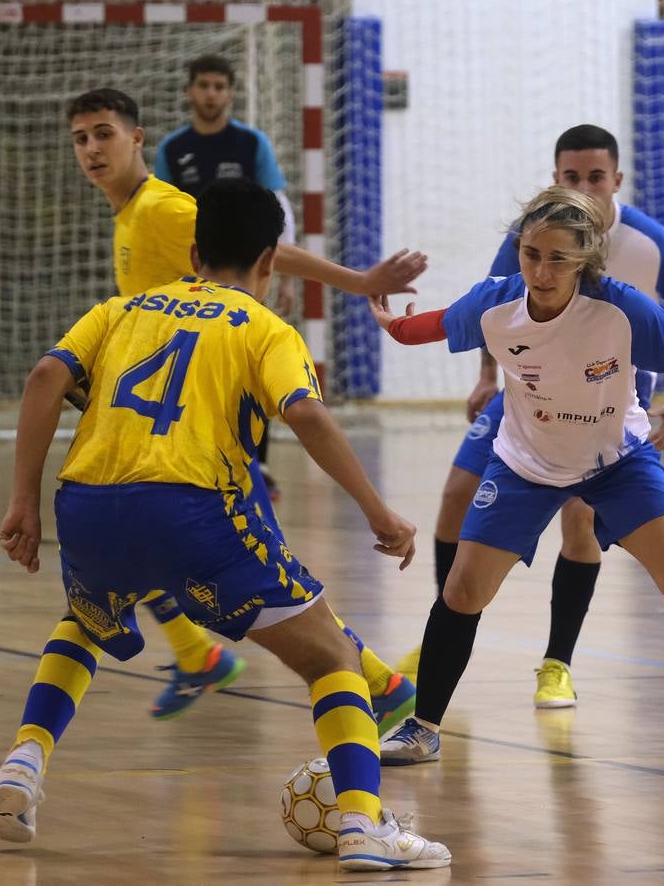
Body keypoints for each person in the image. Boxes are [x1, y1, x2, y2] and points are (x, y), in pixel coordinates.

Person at [0, 178, 450, 871]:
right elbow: (307, 414)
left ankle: (23, 763)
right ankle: (361, 825)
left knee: (83, 620)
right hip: (193, 510)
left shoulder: (120, 309)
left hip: (86, 502)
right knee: (331, 659)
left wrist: (21, 501)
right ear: (269, 263)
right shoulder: (266, 327)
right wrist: (378, 511)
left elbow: (44, 379)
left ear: (193, 251)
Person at [373, 186, 664, 773]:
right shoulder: (495, 304)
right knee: (463, 592)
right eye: (532, 253)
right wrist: (392, 324)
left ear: (585, 260)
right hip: (525, 464)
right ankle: (422, 729)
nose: (541, 269)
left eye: (557, 258)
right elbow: (432, 326)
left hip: (617, 460)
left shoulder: (623, 309)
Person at [67, 88, 417, 730]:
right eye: (82, 137)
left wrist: (361, 283)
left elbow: (264, 249)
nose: (92, 148)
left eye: (104, 134)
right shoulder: (128, 215)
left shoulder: (165, 209)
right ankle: (202, 655)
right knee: (153, 547)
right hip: (167, 417)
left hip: (208, 412)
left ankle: (373, 680)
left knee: (248, 570)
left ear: (137, 138)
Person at [398, 125, 664, 713]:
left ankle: (557, 663)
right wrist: (486, 379)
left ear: (616, 180)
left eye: (595, 177)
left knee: (580, 520)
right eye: (571, 177)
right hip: (526, 386)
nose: (584, 187)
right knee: (454, 496)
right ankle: (439, 642)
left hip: (602, 394)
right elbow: (492, 307)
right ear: (556, 179)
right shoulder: (538, 234)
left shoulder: (651, 247)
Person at [155, 53, 296, 494]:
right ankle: (183, 454)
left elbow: (279, 209)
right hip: (190, 274)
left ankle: (259, 462)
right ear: (189, 92)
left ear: (229, 92)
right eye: (204, 85)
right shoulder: (172, 150)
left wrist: (282, 274)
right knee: (189, 363)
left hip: (245, 275)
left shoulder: (251, 144)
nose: (211, 94)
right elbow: (158, 215)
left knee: (249, 365)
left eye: (219, 86)